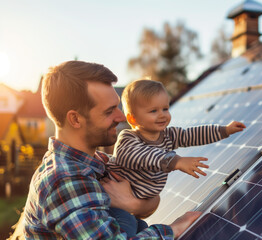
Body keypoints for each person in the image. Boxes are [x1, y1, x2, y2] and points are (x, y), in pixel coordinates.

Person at [23, 60, 201, 239]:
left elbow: (150, 197)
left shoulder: (97, 162)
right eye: (109, 111)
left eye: (117, 106)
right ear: (75, 119)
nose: (121, 116)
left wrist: (134, 205)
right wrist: (174, 229)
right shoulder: (65, 179)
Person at [107, 79, 246, 235]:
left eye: (165, 109)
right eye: (153, 111)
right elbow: (137, 155)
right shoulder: (129, 138)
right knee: (126, 232)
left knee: (141, 230)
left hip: (133, 208)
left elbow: (191, 135)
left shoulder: (168, 135)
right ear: (132, 118)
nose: (162, 115)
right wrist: (175, 161)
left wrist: (224, 130)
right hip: (113, 206)